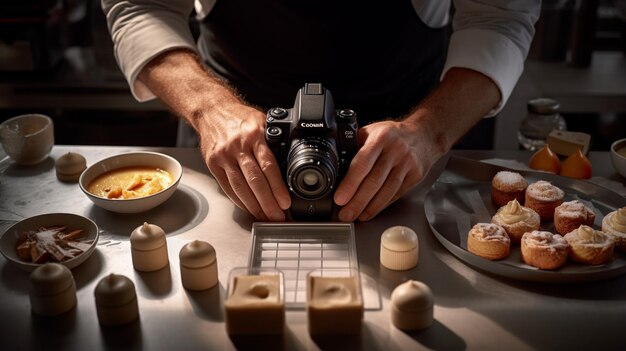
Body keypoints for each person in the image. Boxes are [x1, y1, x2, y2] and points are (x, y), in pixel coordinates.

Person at [102, 0, 540, 222]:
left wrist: (429, 132)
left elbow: (498, 16)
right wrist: (210, 109)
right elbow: (143, 4)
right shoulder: (219, 117)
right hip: (235, 140)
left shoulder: (421, 137)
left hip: (407, 143)